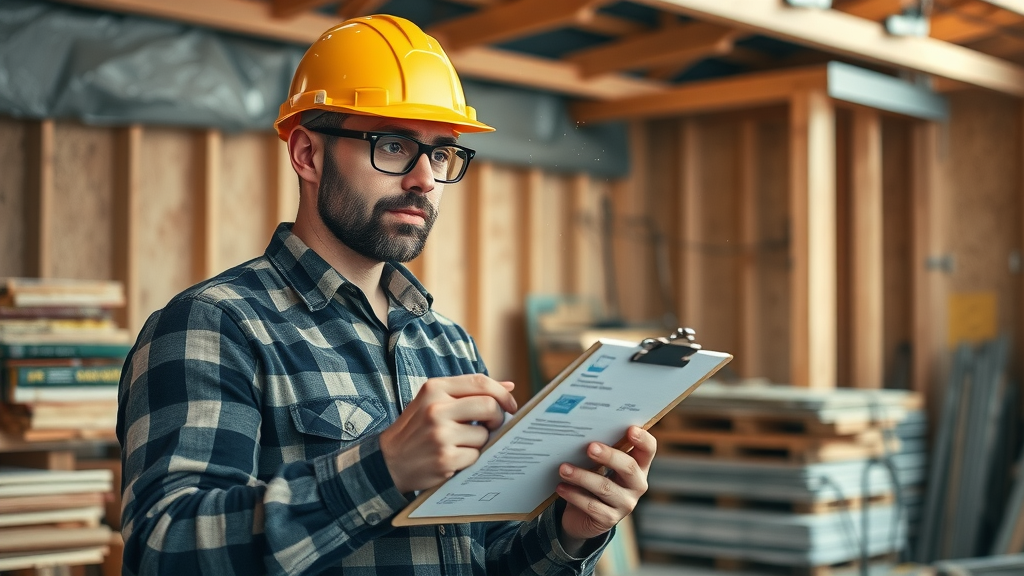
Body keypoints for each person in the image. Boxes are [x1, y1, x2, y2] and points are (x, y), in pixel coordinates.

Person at [117, 14, 656, 576]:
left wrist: (573, 533)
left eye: (443, 154)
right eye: (394, 145)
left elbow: (488, 559)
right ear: (307, 155)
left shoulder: (448, 344)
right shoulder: (214, 325)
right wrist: (383, 468)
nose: (425, 179)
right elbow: (164, 548)